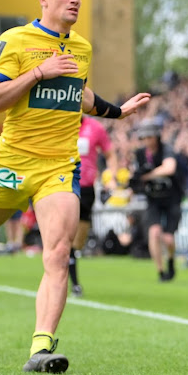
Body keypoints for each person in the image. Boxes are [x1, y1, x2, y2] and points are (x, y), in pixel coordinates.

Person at [0, 0, 150, 374]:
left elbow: (79, 93)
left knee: (58, 254)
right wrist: (39, 72)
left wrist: (116, 111)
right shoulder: (16, 40)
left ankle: (41, 348)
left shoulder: (82, 47)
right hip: (13, 162)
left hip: (59, 167)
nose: (74, 0)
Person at [130, 119, 183, 282]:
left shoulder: (166, 150)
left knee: (168, 238)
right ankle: (160, 272)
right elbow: (135, 175)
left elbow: (169, 168)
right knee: (153, 233)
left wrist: (148, 175)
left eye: (149, 137)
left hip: (172, 198)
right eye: (144, 138)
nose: (146, 141)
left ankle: (171, 260)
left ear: (156, 136)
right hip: (152, 199)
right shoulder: (140, 154)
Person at [70, 115, 116, 297]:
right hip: (63, 186)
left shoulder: (95, 128)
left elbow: (110, 153)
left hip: (87, 189)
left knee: (78, 241)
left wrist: (111, 177)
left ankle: (70, 262)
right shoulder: (59, 122)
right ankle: (74, 283)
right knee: (65, 237)